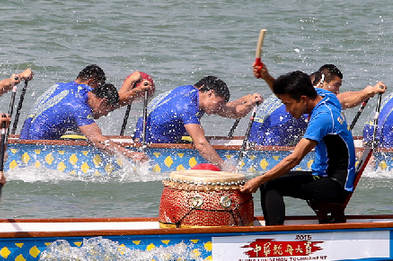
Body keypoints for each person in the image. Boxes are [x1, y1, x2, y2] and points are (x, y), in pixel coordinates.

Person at [242, 69, 356, 225]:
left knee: (269, 183)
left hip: (334, 185)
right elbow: (285, 94)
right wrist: (267, 76)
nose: (287, 111)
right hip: (325, 176)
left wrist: (258, 180)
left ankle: (273, 237)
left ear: (303, 99)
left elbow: (294, 159)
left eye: (288, 105)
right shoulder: (325, 96)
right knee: (270, 179)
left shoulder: (322, 118)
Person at [19, 66, 152, 162]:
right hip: (34, 152)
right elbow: (98, 140)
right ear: (103, 102)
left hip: (23, 140)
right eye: (108, 110)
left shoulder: (65, 86)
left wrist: (130, 87)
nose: (105, 115)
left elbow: (113, 98)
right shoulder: (79, 107)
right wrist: (130, 154)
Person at [133, 76, 262, 169]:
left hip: (148, 138)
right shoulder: (188, 107)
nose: (220, 107)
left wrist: (249, 103)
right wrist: (226, 167)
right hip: (150, 148)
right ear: (210, 93)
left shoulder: (191, 92)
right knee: (202, 142)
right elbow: (201, 146)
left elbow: (234, 113)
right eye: (219, 103)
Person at [250, 64, 386, 146]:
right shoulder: (312, 96)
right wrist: (369, 92)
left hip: (256, 143)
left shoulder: (293, 92)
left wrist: (266, 76)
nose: (337, 91)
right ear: (321, 82)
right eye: (335, 85)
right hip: (270, 147)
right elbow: (342, 100)